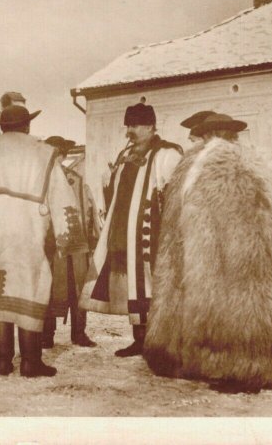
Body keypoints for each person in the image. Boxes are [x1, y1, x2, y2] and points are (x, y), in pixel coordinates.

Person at [143, 114, 272, 393]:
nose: (193, 142)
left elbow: (191, 224)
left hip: (228, 252)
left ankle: (237, 363)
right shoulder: (264, 165)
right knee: (262, 303)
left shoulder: (206, 166)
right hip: (266, 254)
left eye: (197, 138)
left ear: (208, 137)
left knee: (234, 304)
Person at [0, 104, 87, 377]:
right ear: (27, 126)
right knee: (30, 289)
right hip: (26, 233)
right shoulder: (44, 153)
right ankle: (30, 361)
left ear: (0, 126)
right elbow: (62, 197)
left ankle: (2, 361)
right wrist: (65, 236)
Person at [79, 97, 183, 357]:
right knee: (134, 290)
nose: (129, 132)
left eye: (135, 126)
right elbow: (115, 194)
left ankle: (163, 343)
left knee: (156, 288)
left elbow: (175, 194)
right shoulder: (126, 155)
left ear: (150, 127)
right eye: (128, 126)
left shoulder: (167, 154)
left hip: (153, 236)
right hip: (126, 235)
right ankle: (140, 340)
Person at [41, 136, 99, 348]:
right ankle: (47, 335)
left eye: (58, 155)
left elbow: (88, 211)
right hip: (48, 245)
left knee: (77, 288)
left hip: (74, 245)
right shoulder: (40, 179)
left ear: (63, 156)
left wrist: (88, 241)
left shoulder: (75, 180)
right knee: (48, 289)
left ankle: (79, 332)